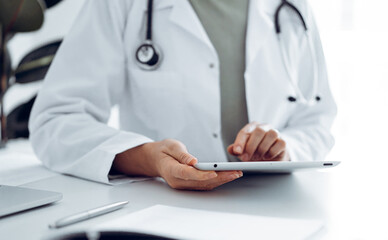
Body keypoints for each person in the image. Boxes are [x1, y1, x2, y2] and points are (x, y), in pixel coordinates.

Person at [29, 0, 336, 190]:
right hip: (162, 210)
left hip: (277, 210)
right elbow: (55, 120)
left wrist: (284, 151)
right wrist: (147, 158)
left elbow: (316, 121)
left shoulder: (292, 6)